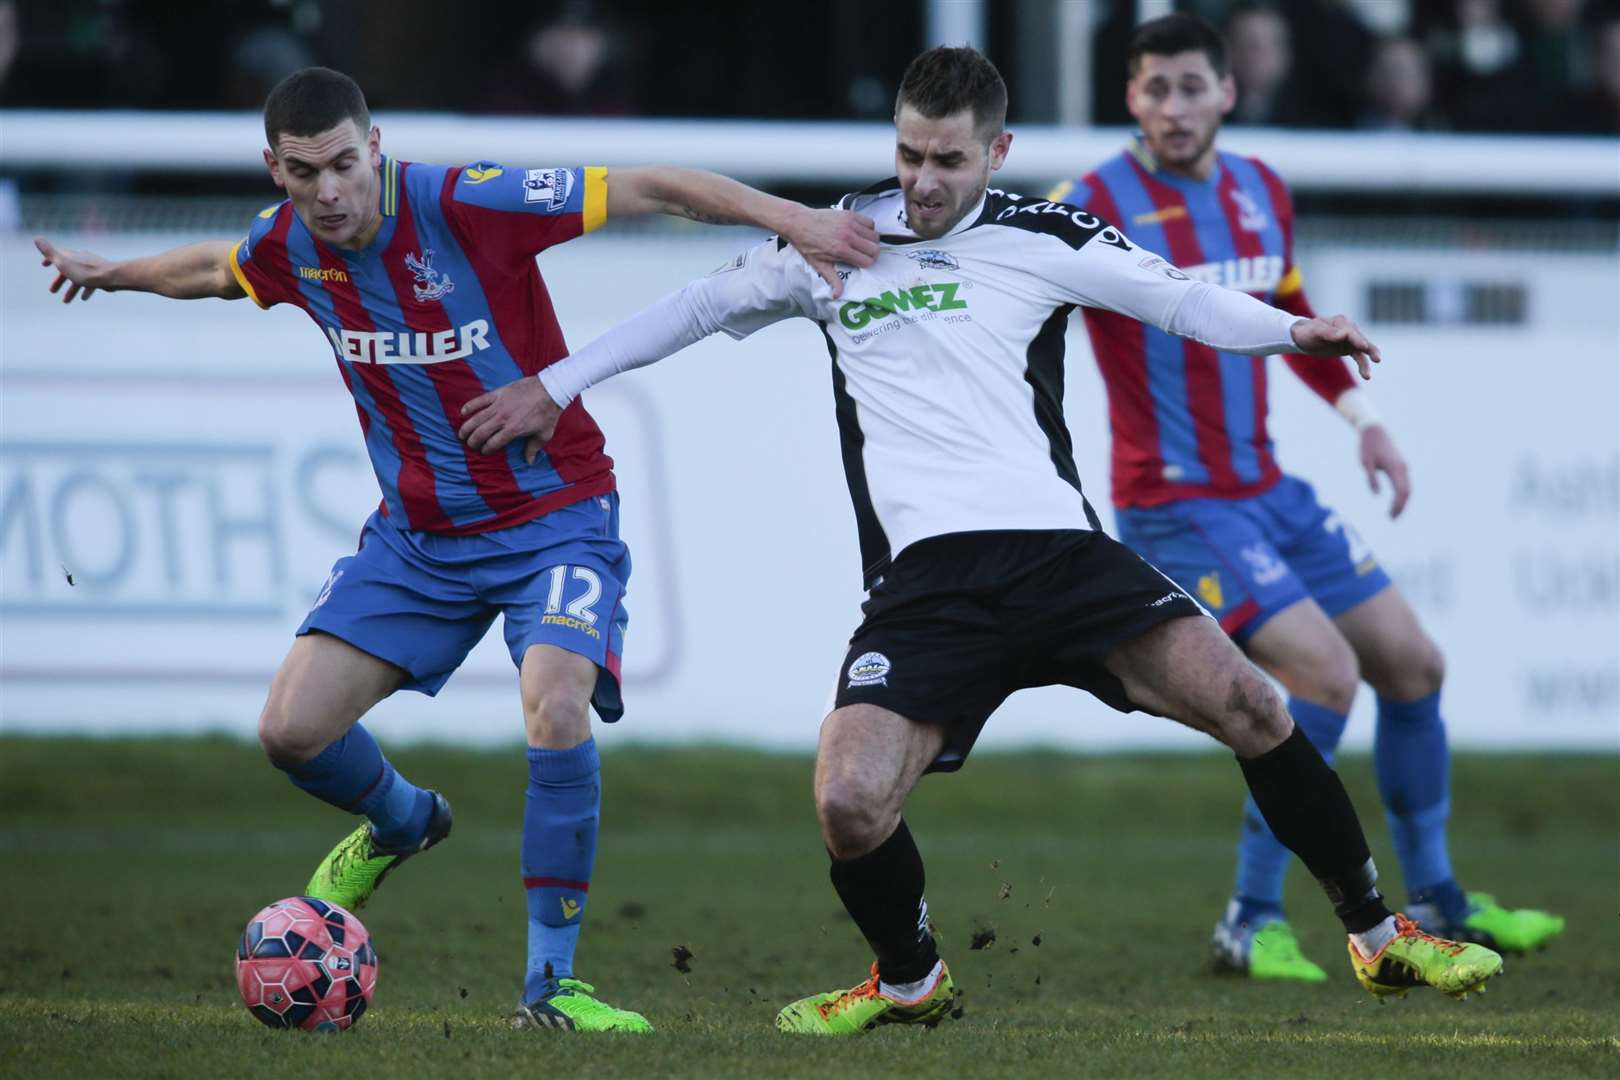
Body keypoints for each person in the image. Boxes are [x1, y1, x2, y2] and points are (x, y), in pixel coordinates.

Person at [456, 45, 1504, 1035]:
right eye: (908, 153)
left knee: (1255, 702)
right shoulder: (833, 246)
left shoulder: (1046, 238)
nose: (921, 179)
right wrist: (553, 386)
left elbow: (1179, 300)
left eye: (947, 159)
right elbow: (689, 308)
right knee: (846, 801)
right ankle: (911, 982)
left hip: (1062, 558)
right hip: (930, 587)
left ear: (995, 154)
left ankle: (1379, 937)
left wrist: (1294, 329)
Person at [34, 66, 879, 1033]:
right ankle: (401, 819)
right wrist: (115, 272)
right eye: (305, 173)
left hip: (554, 514)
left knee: (556, 705)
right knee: (290, 732)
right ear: (276, 167)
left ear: (376, 146)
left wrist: (800, 222)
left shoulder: (468, 202)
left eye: (346, 165)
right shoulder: (292, 243)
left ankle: (551, 987)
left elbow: (650, 185)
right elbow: (219, 271)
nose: (330, 192)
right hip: (418, 543)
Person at [1046, 14, 1564, 983]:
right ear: (1131, 98)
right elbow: (1021, 299)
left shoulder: (1258, 190)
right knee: (1323, 675)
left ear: (1227, 93)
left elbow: (1293, 319)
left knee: (1413, 666)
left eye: (1191, 87)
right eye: (1155, 89)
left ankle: (1438, 896)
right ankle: (1248, 917)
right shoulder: (1089, 204)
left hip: (1267, 484)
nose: (1173, 107)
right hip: (1174, 502)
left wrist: (1363, 419)